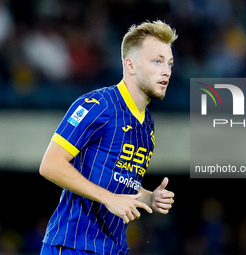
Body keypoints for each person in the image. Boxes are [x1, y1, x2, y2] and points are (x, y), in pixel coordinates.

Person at [39, 20, 178, 255]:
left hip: (113, 248)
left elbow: (121, 181)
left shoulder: (148, 125)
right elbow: (50, 165)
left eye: (170, 63)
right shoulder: (98, 105)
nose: (167, 71)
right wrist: (108, 199)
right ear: (130, 65)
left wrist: (148, 198)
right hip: (72, 245)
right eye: (157, 61)